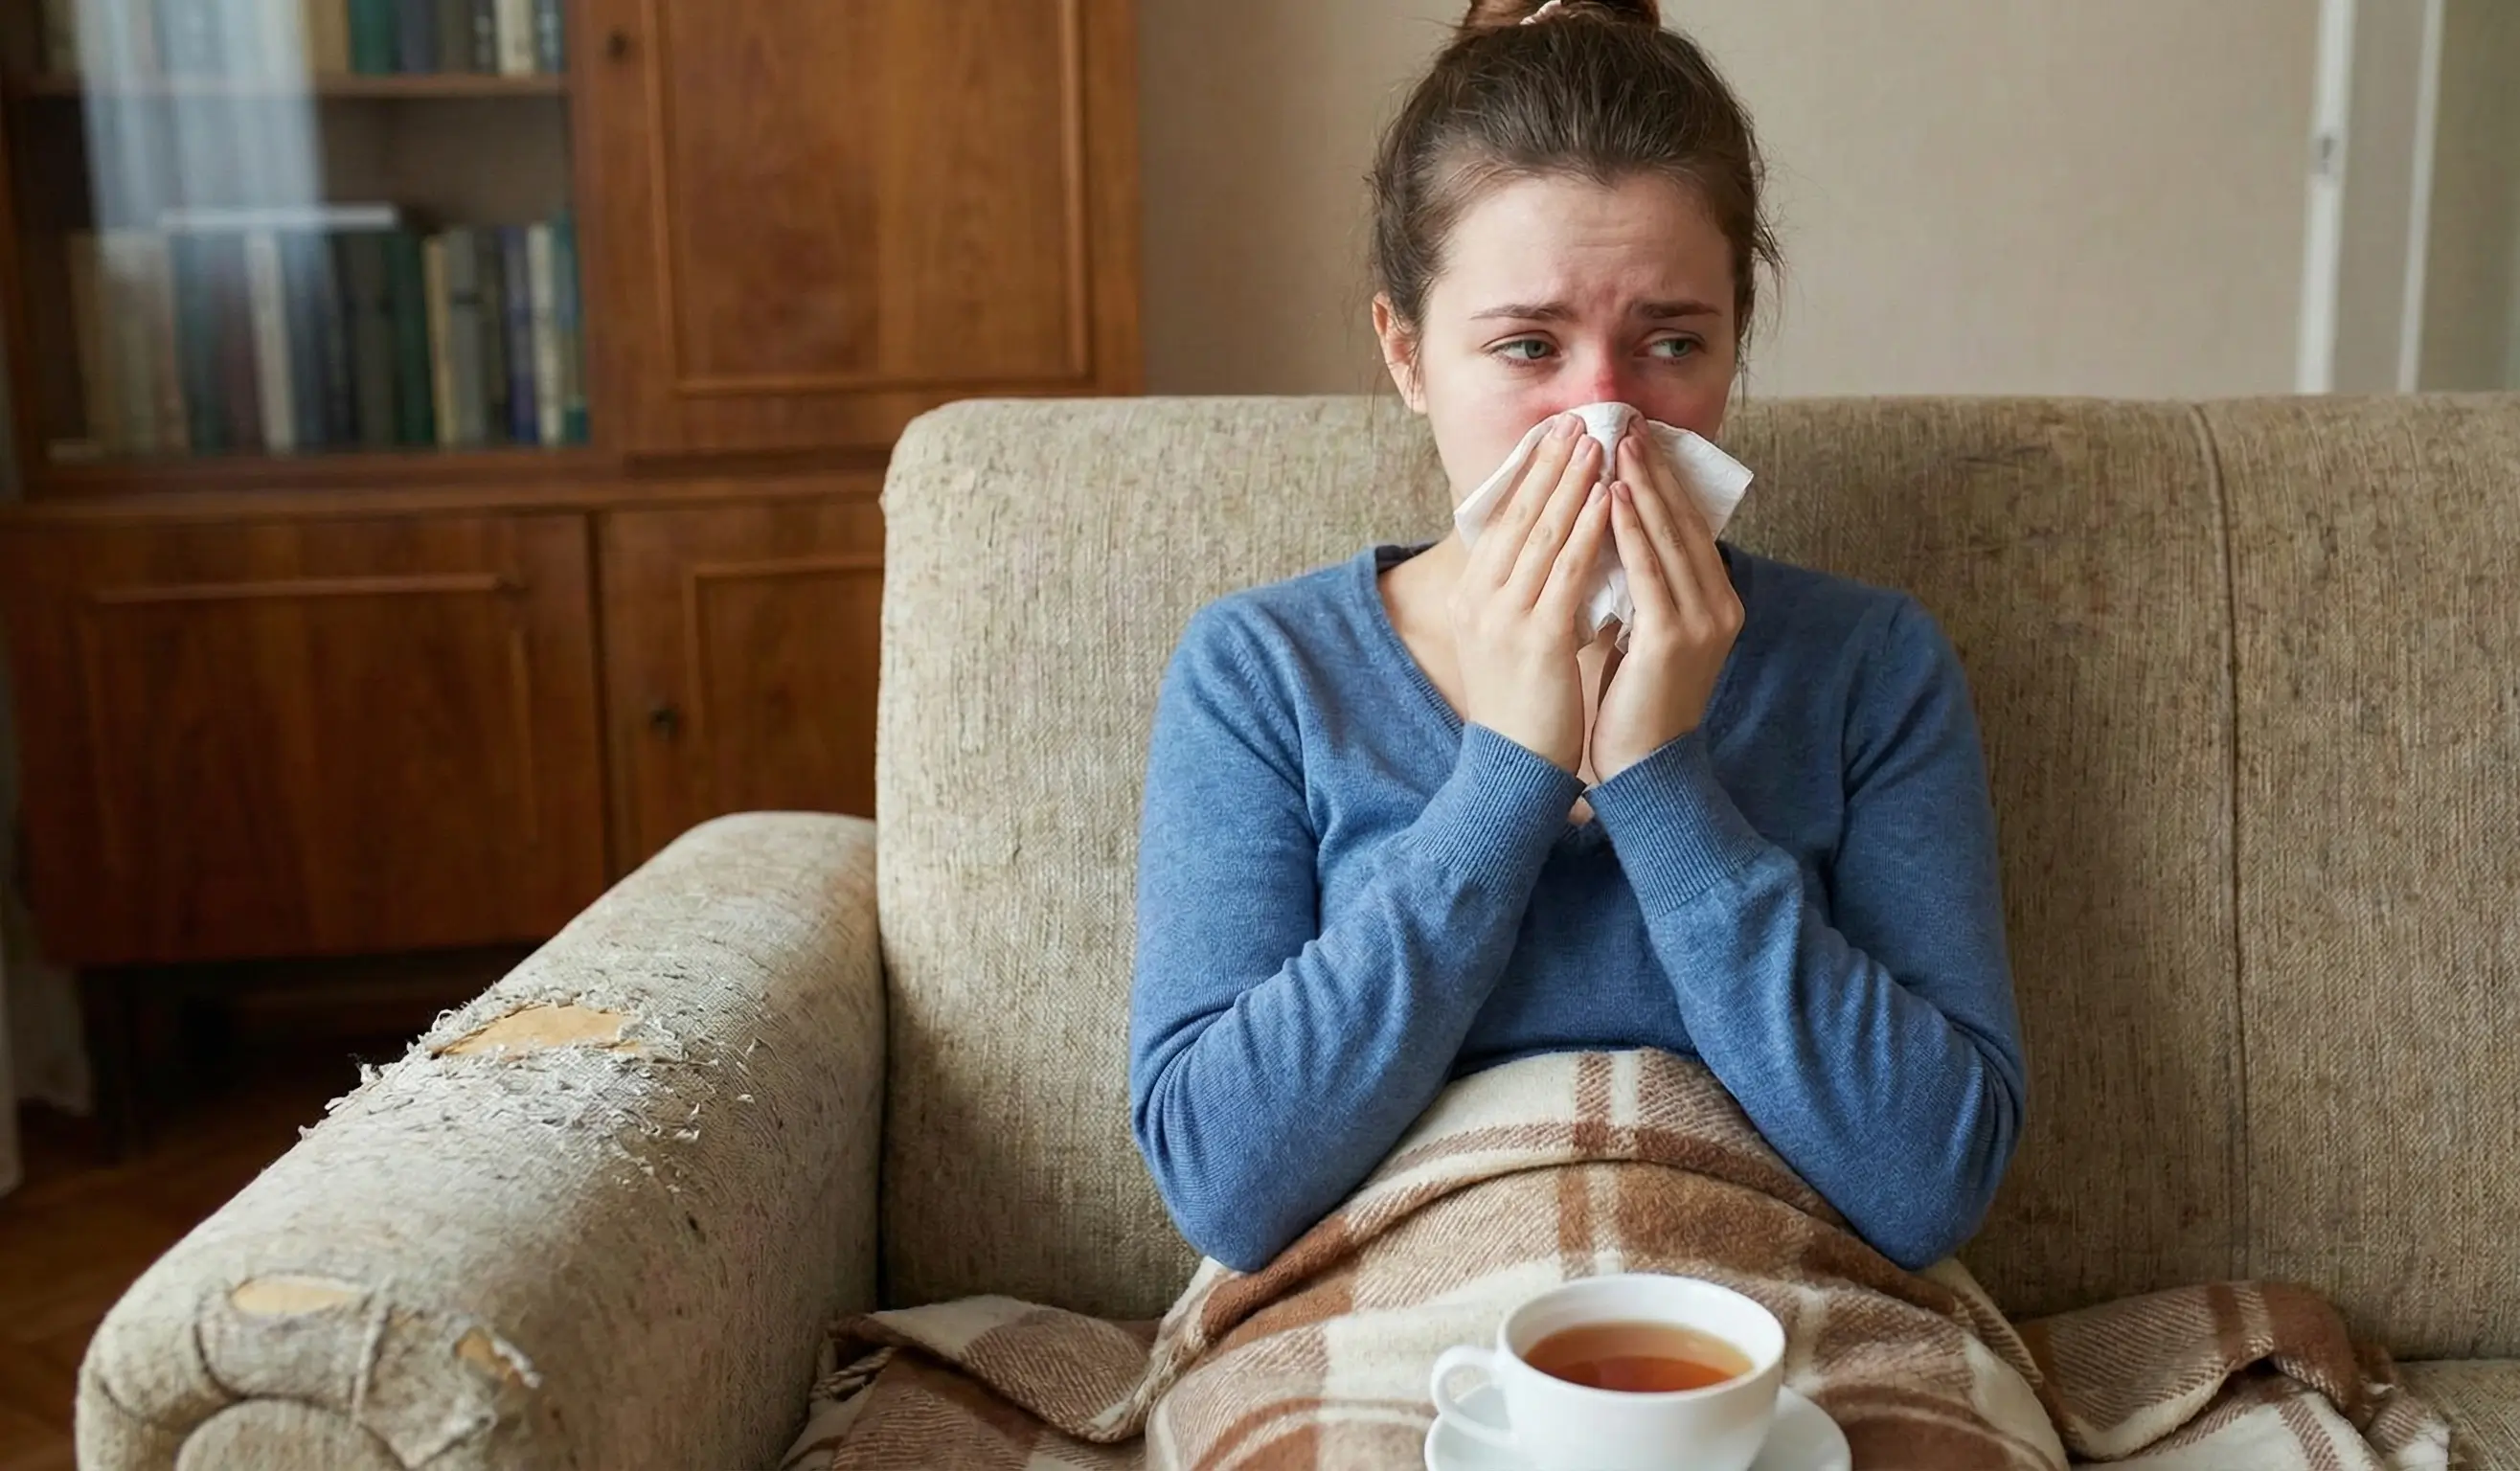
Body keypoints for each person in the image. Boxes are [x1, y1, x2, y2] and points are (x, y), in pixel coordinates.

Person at [1127, 0, 2026, 1278]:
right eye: (1527, 347)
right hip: (1390, 1315)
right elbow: (1221, 1183)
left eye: (1669, 343)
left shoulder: (1867, 667)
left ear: (1732, 349)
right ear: (1407, 355)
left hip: (1776, 1311)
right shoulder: (1265, 674)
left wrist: (1662, 781)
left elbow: (1934, 1181)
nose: (1601, 416)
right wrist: (1508, 767)